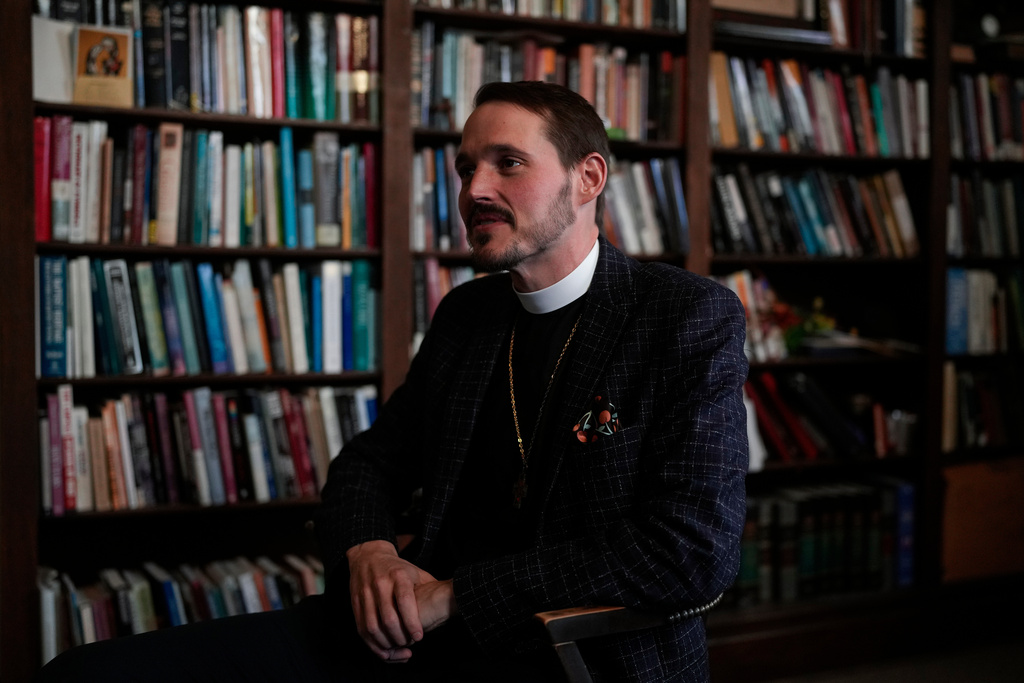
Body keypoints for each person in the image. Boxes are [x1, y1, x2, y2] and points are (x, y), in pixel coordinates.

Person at [39, 81, 748, 683]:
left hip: (575, 654)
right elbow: (369, 464)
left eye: (508, 163)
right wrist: (371, 552)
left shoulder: (685, 315)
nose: (475, 189)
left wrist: (457, 595)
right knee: (84, 673)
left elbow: (690, 550)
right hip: (409, 635)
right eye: (466, 167)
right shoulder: (468, 314)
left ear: (587, 177)